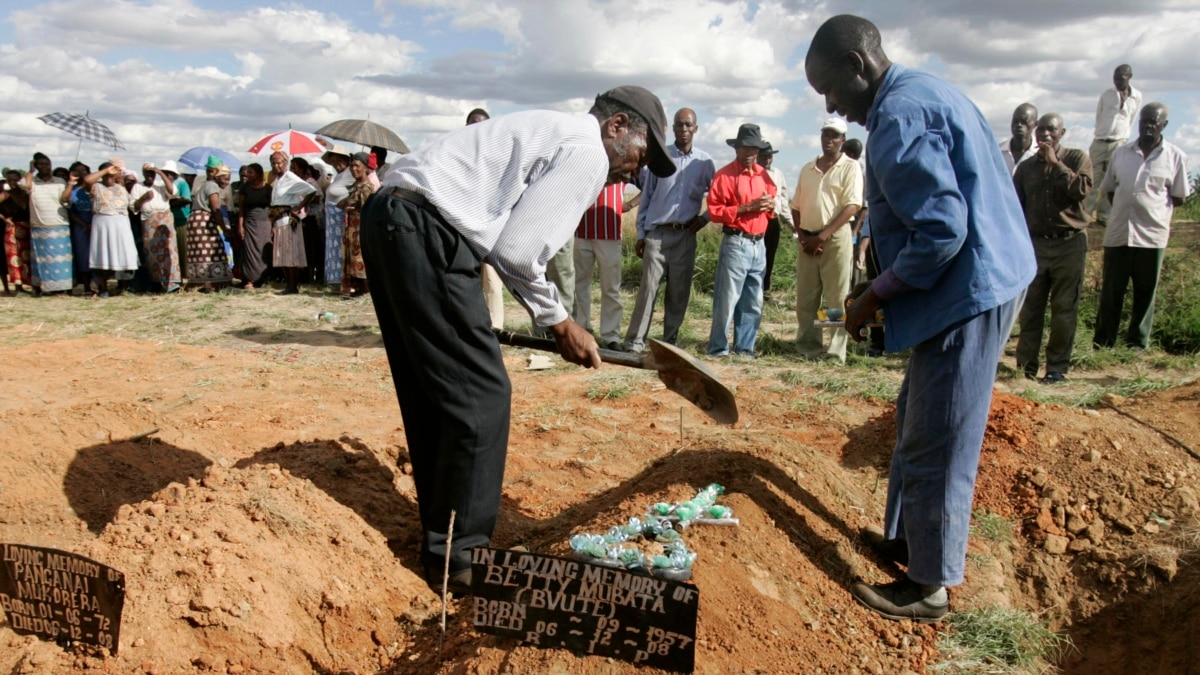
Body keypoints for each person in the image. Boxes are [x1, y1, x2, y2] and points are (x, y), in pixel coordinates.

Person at [361, 85, 674, 595]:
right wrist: (559, 321)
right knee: (482, 396)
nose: (635, 171)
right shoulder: (587, 148)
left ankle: (442, 540)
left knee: (435, 392)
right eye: (641, 154)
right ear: (616, 126)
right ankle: (463, 557)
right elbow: (519, 251)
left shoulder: (552, 130)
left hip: (391, 219)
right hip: (426, 229)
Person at [805, 14, 1035, 622]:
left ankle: (929, 584)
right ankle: (908, 542)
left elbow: (940, 232)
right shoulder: (926, 90)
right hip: (981, 277)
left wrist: (873, 295)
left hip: (969, 290)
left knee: (940, 434)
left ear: (857, 65)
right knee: (917, 414)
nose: (832, 106)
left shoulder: (900, 118)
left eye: (830, 88)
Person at [1093, 103, 1191, 350]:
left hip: (1152, 235)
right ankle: (1104, 343)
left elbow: (1178, 197)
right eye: (1144, 121)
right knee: (1111, 292)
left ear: (1164, 125)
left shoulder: (1175, 157)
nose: (1147, 126)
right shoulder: (1121, 153)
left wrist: (1150, 210)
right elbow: (1111, 191)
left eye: (1153, 122)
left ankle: (1136, 345)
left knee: (1145, 293)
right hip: (1119, 233)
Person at [624, 107, 716, 352]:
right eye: (679, 125)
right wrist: (641, 233)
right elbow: (647, 197)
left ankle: (669, 345)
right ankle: (635, 342)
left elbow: (718, 196)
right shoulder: (660, 157)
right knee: (647, 292)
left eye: (688, 125)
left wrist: (706, 218)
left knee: (679, 294)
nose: (683, 129)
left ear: (695, 129)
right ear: (672, 128)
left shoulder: (705, 163)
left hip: (686, 236)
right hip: (658, 235)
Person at [1012, 113, 1093, 383]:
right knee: (1031, 308)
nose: (1045, 134)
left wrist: (1055, 164)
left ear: (1062, 133)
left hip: (1069, 243)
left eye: (1051, 130)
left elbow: (1080, 190)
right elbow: (1017, 208)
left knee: (1064, 309)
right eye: (1041, 129)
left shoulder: (1076, 159)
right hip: (1035, 244)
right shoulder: (1025, 169)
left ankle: (1057, 368)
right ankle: (1026, 367)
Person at [791, 117, 863, 363]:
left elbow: (852, 206)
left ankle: (834, 352)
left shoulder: (850, 167)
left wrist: (823, 235)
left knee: (835, 299)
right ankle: (807, 347)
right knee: (806, 299)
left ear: (842, 140)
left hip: (834, 240)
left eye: (834, 136)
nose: (829, 140)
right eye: (825, 135)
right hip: (808, 242)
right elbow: (796, 206)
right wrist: (803, 236)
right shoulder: (807, 168)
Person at [706, 123, 776, 357]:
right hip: (737, 241)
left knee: (753, 300)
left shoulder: (764, 176)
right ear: (737, 148)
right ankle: (718, 349)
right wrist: (747, 208)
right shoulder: (724, 176)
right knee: (727, 299)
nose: (750, 153)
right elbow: (715, 211)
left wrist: (769, 206)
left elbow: (771, 203)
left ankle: (745, 349)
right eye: (746, 148)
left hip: (759, 243)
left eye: (754, 149)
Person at [572, 182, 630, 350]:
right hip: (580, 232)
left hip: (610, 234)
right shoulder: (585, 160)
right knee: (580, 285)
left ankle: (611, 336)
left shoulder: (622, 162)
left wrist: (629, 204)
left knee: (611, 287)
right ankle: (582, 330)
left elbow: (647, 183)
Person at [464, 109, 507, 329]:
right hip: (463, 227)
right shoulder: (460, 154)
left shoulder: (498, 156)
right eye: (472, 123)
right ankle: (471, 328)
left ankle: (495, 330)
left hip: (490, 228)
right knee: (464, 281)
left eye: (481, 124)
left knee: (491, 280)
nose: (477, 128)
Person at [1085, 65, 1142, 226]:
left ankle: (1104, 215)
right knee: (1091, 179)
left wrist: (1123, 136)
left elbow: (1132, 117)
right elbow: (1099, 116)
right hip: (1100, 140)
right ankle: (1085, 215)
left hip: (1119, 142)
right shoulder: (1107, 94)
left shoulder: (1137, 96)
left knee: (1111, 180)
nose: (1116, 81)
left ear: (1129, 77)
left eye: (1120, 78)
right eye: (1115, 78)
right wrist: (1101, 133)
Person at [80, 163, 139, 296]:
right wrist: (106, 170)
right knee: (103, 254)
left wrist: (118, 175)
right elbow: (87, 180)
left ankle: (123, 288)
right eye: (106, 174)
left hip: (121, 224)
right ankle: (103, 288)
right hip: (103, 225)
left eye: (112, 174)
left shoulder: (121, 187)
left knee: (124, 254)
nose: (109, 176)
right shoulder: (96, 186)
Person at [21, 153, 73, 295]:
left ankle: (61, 289)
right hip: (39, 225)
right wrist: (31, 171)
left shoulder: (59, 181)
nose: (45, 166)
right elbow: (25, 187)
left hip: (58, 223)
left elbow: (65, 199)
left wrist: (70, 183)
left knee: (60, 259)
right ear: (36, 166)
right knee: (41, 259)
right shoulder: (32, 181)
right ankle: (42, 287)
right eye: (41, 164)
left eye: (47, 164)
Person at [268, 151, 317, 295]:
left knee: (290, 254)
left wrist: (299, 207)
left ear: (285, 163)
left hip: (289, 218)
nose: (276, 165)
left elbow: (311, 191)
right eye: (273, 163)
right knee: (282, 253)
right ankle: (288, 284)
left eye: (278, 163)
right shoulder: (278, 179)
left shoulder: (290, 177)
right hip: (278, 218)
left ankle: (293, 285)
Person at [129, 163, 180, 292]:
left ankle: (172, 284)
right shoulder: (138, 187)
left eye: (152, 173)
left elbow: (172, 191)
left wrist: (159, 172)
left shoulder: (160, 184)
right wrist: (143, 198)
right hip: (149, 221)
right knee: (152, 254)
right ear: (143, 174)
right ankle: (156, 283)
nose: (150, 175)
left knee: (170, 252)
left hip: (165, 220)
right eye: (147, 173)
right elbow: (134, 207)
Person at [186, 164, 233, 289]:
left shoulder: (206, 184)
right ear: (218, 176)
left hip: (195, 220)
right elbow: (216, 209)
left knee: (199, 251)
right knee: (211, 250)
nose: (227, 182)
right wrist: (224, 229)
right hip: (203, 221)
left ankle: (199, 282)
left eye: (229, 179)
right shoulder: (212, 186)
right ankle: (211, 283)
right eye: (225, 178)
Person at [337, 152, 377, 298]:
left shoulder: (366, 187)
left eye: (357, 166)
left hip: (360, 229)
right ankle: (356, 288)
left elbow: (368, 209)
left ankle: (365, 288)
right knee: (351, 257)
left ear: (366, 168)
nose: (353, 169)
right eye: (351, 166)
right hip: (351, 229)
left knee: (359, 258)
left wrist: (352, 208)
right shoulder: (356, 185)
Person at [759, 142, 795, 295]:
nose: (768, 159)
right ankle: (755, 290)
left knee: (770, 255)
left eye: (770, 156)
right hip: (759, 219)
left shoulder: (778, 174)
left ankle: (766, 290)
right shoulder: (754, 173)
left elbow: (783, 201)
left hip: (774, 220)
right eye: (764, 156)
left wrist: (792, 224)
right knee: (757, 256)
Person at [236, 163, 272, 289]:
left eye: (250, 172)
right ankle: (249, 280)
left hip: (265, 224)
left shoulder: (267, 188)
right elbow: (241, 208)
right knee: (249, 251)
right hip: (249, 223)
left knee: (263, 252)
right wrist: (240, 226)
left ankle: (261, 279)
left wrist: (272, 225)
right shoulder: (245, 188)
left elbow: (272, 208)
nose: (247, 175)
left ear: (258, 173)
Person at [322, 146, 353, 287]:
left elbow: (356, 191)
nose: (336, 164)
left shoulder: (350, 173)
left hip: (340, 217)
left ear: (347, 160)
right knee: (333, 249)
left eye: (339, 160)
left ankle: (342, 280)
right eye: (333, 161)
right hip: (332, 219)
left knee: (340, 248)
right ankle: (334, 279)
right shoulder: (339, 175)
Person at [66, 162, 96, 295]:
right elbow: (71, 211)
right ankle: (87, 287)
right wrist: (84, 225)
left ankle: (100, 285)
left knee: (97, 255)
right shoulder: (72, 191)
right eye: (77, 171)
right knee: (83, 257)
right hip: (80, 227)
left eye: (83, 170)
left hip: (96, 225)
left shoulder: (95, 188)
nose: (81, 173)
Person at [1, 168, 32, 293]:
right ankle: (18, 287)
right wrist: (4, 218)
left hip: (28, 228)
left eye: (15, 179)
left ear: (20, 180)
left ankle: (27, 285)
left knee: (27, 258)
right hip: (13, 229)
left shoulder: (26, 193)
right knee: (15, 258)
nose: (13, 182)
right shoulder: (6, 194)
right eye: (10, 180)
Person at [161, 160, 191, 280]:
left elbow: (186, 200)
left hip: (181, 220)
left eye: (170, 173)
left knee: (183, 249)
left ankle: (184, 276)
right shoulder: (161, 186)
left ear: (174, 175)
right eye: (165, 173)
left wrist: (172, 201)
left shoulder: (181, 184)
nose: (168, 176)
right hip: (166, 221)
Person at [1001, 103, 1039, 175]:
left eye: (1024, 121)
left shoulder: (1041, 153)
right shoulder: (997, 152)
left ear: (1035, 124)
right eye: (1015, 121)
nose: (1019, 125)